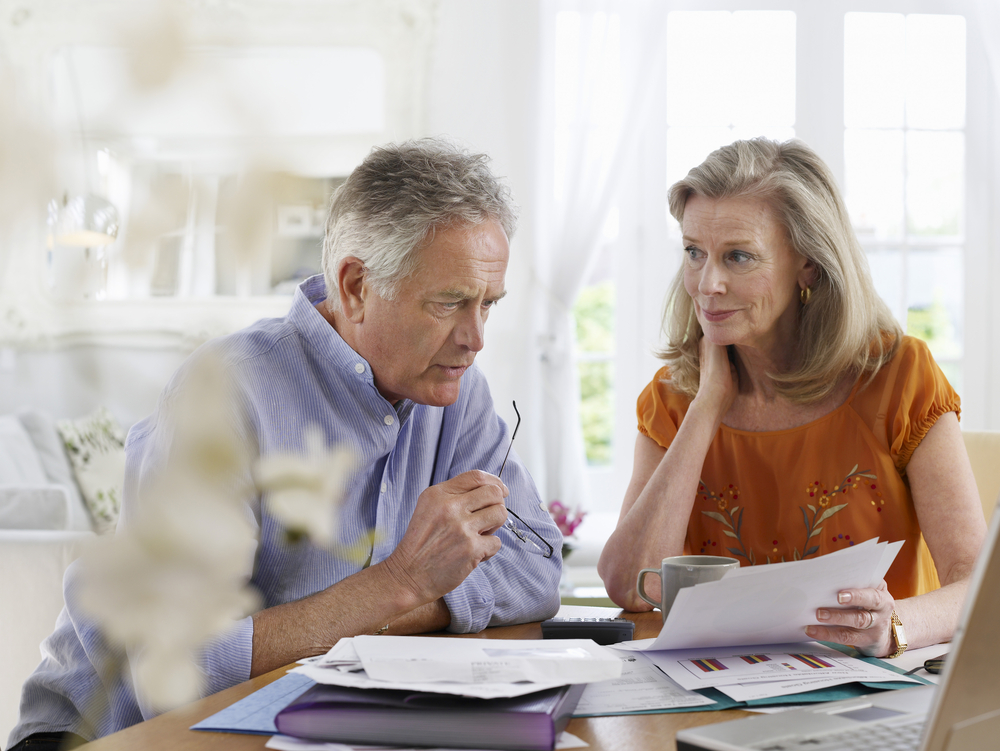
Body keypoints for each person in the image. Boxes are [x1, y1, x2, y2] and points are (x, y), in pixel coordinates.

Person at [9, 139, 562, 750]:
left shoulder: (455, 393)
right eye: (451, 302)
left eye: (489, 303)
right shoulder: (224, 393)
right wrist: (402, 582)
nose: (476, 336)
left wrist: (394, 605)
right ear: (354, 287)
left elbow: (535, 569)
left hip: (298, 723)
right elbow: (180, 668)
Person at [598, 138, 986, 659]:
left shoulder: (900, 376)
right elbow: (628, 587)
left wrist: (893, 624)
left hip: (871, 692)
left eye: (738, 256)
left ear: (807, 265)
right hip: (710, 695)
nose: (707, 284)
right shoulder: (674, 398)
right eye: (694, 252)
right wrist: (708, 403)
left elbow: (978, 584)